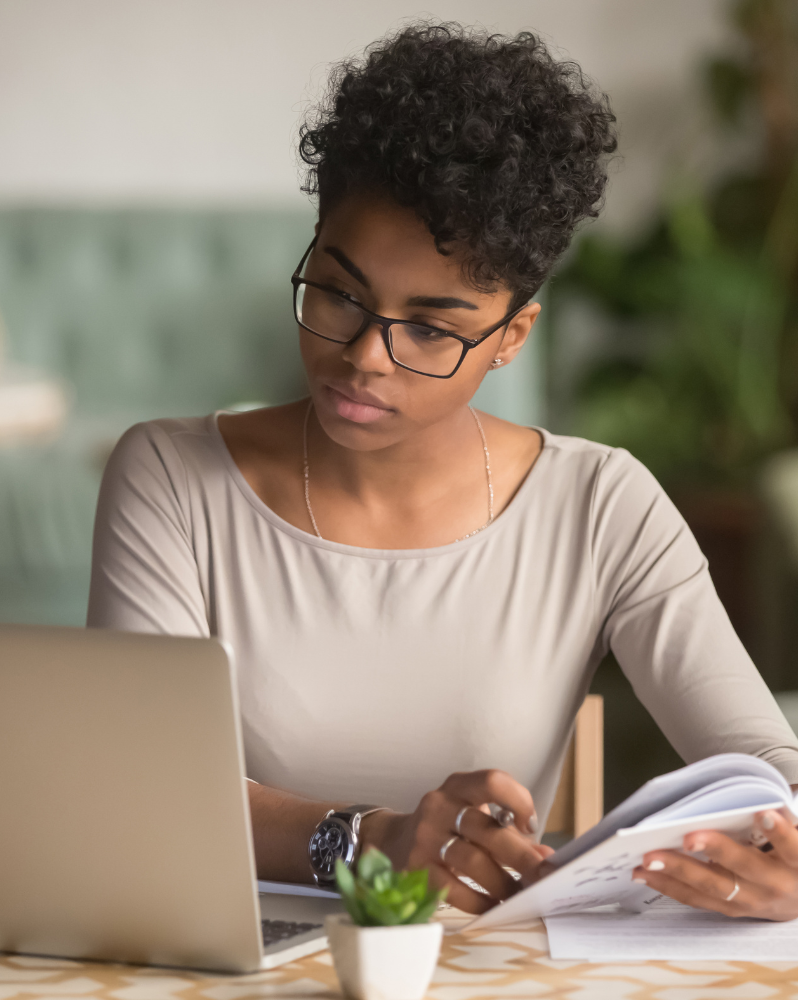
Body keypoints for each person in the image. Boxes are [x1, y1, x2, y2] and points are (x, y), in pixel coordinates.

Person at [88, 23, 798, 920]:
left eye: (431, 326)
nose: (364, 356)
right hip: (239, 967)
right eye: (339, 293)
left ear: (510, 338)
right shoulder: (171, 478)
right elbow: (139, 786)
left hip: (483, 967)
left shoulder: (599, 504)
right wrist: (375, 840)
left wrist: (777, 847)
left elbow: (765, 766)